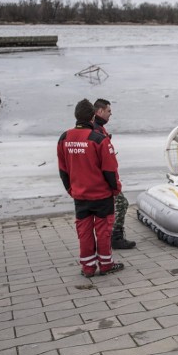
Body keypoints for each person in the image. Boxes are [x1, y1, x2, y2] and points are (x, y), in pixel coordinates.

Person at [57, 99, 124, 277]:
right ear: (93, 115)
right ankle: (106, 264)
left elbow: (63, 169)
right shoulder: (99, 139)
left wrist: (71, 190)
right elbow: (110, 169)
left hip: (80, 195)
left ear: (76, 116)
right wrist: (115, 189)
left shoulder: (64, 138)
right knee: (103, 231)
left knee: (84, 231)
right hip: (101, 195)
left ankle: (87, 267)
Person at [92, 99, 135, 250]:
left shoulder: (99, 129)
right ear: (100, 111)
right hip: (104, 178)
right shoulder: (96, 131)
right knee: (121, 203)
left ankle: (109, 237)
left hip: (101, 177)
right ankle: (115, 237)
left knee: (112, 207)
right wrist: (113, 184)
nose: (111, 114)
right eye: (109, 111)